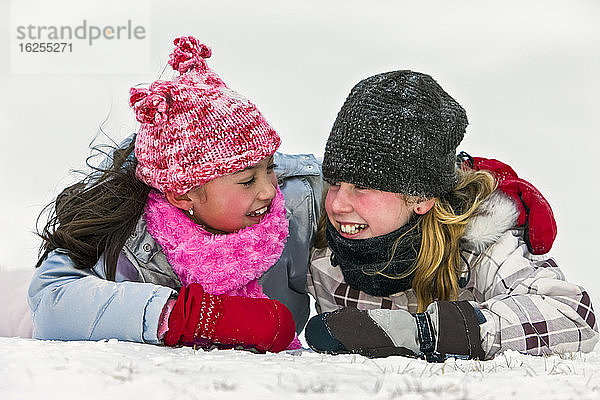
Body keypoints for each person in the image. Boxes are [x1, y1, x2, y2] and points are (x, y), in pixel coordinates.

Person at [26, 36, 323, 352]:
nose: (268, 189)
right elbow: (50, 301)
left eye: (269, 166)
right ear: (183, 196)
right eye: (247, 180)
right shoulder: (128, 228)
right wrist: (187, 316)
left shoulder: (299, 199)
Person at [304, 70, 598, 361]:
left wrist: (423, 332)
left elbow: (573, 314)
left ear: (421, 197)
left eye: (363, 186)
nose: (338, 204)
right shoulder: (315, 237)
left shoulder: (478, 239)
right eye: (334, 182)